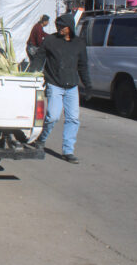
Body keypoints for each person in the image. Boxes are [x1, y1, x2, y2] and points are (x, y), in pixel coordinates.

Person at [28, 13, 91, 164]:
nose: (60, 28)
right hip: (54, 84)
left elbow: (83, 66)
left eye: (63, 26)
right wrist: (30, 76)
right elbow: (39, 58)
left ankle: (68, 151)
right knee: (53, 116)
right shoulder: (50, 40)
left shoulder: (79, 43)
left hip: (72, 86)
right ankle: (41, 139)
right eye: (58, 26)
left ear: (70, 27)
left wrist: (88, 85)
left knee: (73, 119)